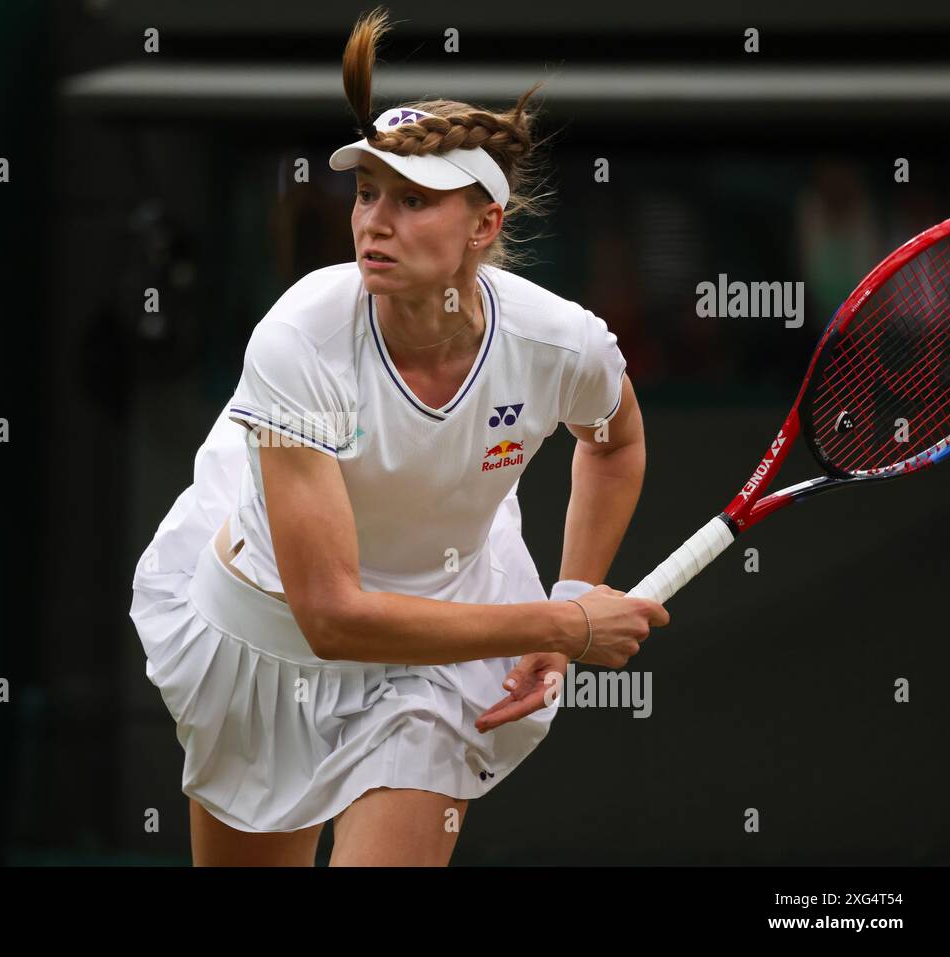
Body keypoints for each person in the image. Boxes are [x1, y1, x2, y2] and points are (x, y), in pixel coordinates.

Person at [129, 7, 669, 867]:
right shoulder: (300, 336)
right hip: (271, 645)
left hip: (434, 661)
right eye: (368, 192)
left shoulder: (558, 342)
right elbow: (333, 617)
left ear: (483, 226)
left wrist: (568, 591)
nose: (373, 221)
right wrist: (564, 621)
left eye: (412, 200)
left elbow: (612, 438)